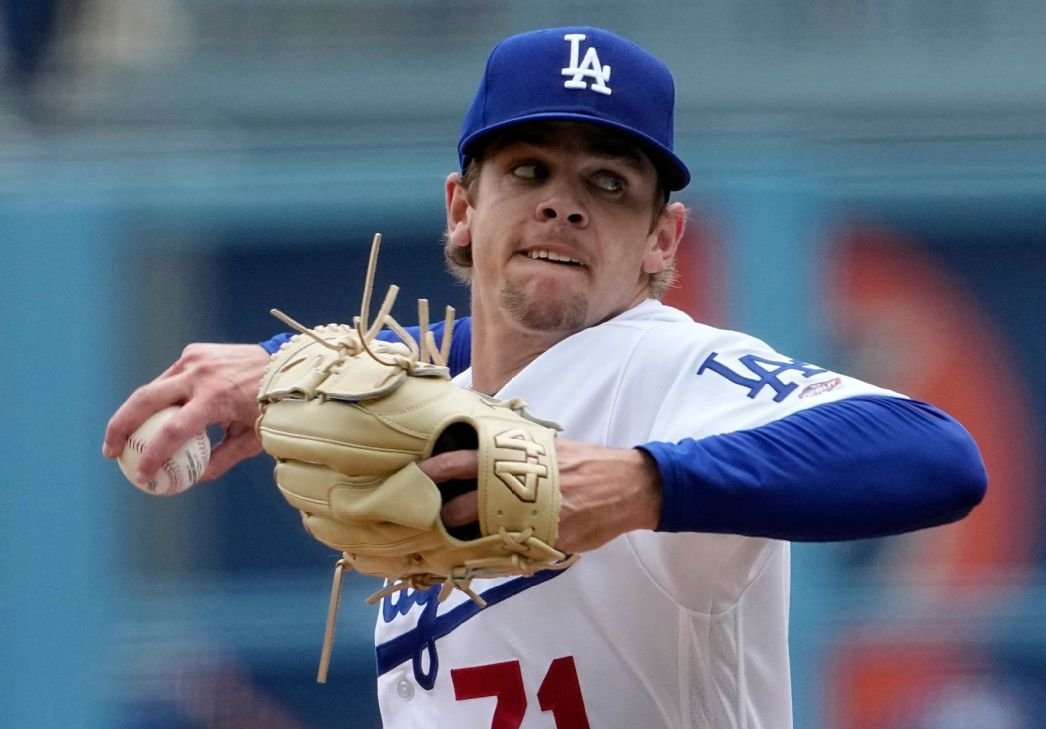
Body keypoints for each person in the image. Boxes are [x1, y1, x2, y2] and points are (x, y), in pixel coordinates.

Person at [104, 26, 987, 728]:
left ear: (662, 241)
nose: (562, 203)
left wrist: (644, 483)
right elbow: (489, 348)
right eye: (529, 170)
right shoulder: (424, 406)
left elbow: (936, 454)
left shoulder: (667, 370)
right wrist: (286, 362)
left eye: (608, 184)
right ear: (462, 209)